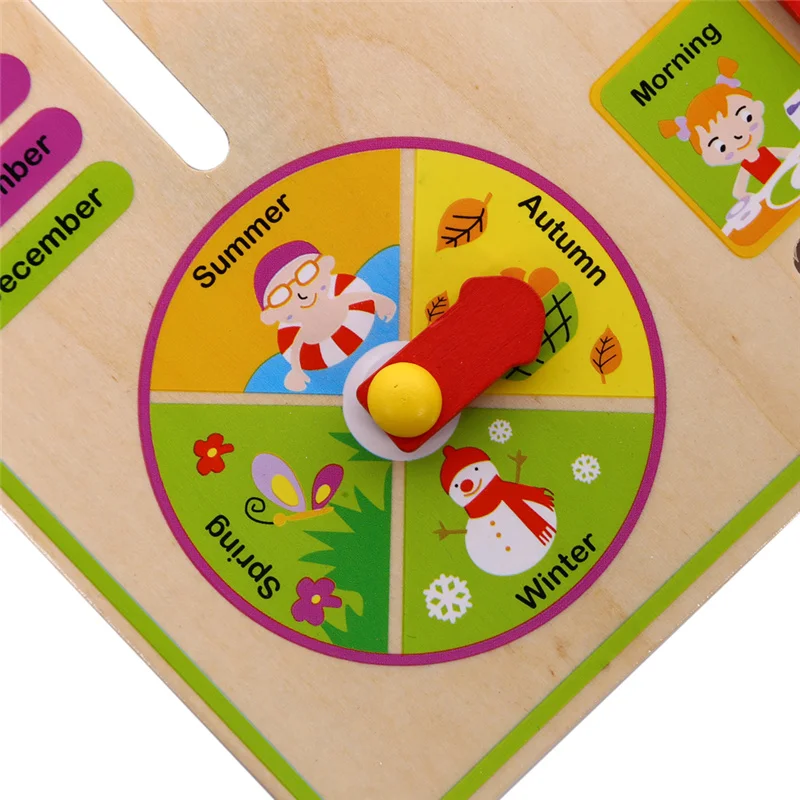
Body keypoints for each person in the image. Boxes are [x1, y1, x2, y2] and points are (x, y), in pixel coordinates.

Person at [254, 240, 396, 392]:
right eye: (281, 295)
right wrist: (296, 372)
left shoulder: (342, 297)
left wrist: (379, 300)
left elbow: (351, 298)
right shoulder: (300, 338)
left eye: (306, 274)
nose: (301, 294)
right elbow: (296, 348)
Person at [659, 57, 793, 203]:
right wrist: (749, 198)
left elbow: (790, 154)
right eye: (720, 146)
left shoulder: (765, 152)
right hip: (773, 196)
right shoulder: (748, 165)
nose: (738, 136)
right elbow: (738, 191)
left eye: (747, 117)